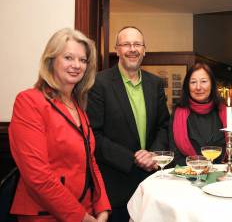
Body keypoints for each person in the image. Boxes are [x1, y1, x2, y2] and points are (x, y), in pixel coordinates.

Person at [8, 28, 110, 222]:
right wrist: (82, 217)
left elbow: (91, 162)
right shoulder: (29, 101)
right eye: (69, 57)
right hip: (46, 215)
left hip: (87, 211)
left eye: (83, 60)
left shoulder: (78, 106)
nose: (77, 65)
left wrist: (103, 206)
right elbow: (38, 176)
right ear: (51, 60)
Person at [87, 26, 170, 221]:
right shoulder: (98, 83)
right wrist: (133, 158)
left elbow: (164, 125)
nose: (132, 49)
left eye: (137, 44)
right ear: (117, 50)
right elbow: (94, 135)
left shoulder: (155, 83)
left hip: (151, 184)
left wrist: (153, 154)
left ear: (144, 50)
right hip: (116, 185)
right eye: (126, 44)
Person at [169, 62, 232, 166]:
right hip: (190, 177)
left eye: (204, 81)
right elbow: (175, 155)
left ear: (212, 84)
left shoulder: (229, 112)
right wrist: (197, 168)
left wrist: (224, 169)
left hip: (223, 176)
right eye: (193, 82)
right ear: (187, 86)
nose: (198, 87)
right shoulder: (177, 114)